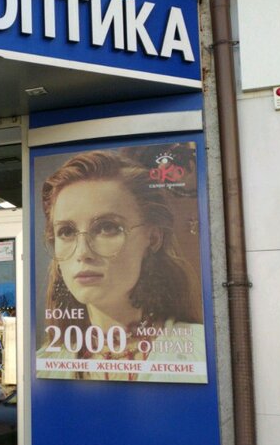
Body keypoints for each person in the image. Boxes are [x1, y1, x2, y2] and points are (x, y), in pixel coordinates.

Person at [37, 148, 205, 382]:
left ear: (153, 238)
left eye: (107, 227)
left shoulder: (199, 351)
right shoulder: (45, 364)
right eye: (66, 232)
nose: (83, 252)